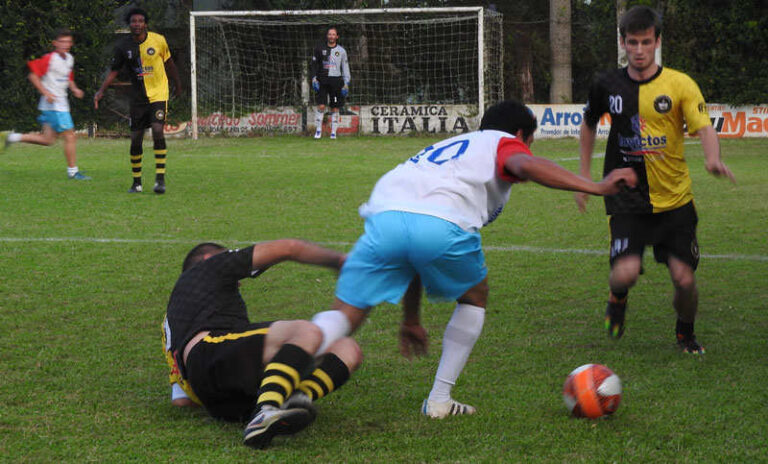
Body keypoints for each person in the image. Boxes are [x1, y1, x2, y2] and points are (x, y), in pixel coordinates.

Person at [307, 100, 638, 419]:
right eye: (530, 141)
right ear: (522, 134)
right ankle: (439, 400)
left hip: (385, 217)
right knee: (475, 295)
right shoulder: (505, 142)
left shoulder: (451, 147)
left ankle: (282, 387)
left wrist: (411, 319)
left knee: (346, 314)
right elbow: (524, 165)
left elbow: (414, 243)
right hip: (441, 224)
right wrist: (596, 186)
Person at [574, 6, 735, 355]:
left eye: (647, 42)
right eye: (632, 42)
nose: (640, 49)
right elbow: (588, 123)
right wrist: (583, 177)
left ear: (657, 41)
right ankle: (617, 298)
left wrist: (713, 158)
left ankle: (685, 333)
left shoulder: (680, 84)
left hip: (675, 201)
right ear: (623, 43)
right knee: (624, 274)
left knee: (685, 279)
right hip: (627, 199)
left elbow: (704, 126)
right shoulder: (607, 84)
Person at [163, 239, 362, 450]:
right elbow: (289, 248)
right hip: (211, 350)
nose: (238, 283)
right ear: (208, 259)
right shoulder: (209, 266)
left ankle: (291, 401)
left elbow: (182, 400)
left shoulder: (174, 316)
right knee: (306, 331)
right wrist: (339, 261)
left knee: (346, 347)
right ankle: (267, 408)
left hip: (224, 402)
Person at [93, 7, 182, 194]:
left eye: (140, 21)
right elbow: (114, 71)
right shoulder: (123, 47)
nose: (137, 24)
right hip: (137, 98)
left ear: (146, 24)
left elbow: (169, 64)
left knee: (158, 130)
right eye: (134, 21)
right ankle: (136, 182)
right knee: (136, 140)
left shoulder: (159, 40)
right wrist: (101, 90)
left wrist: (178, 85)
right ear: (129, 24)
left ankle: (160, 180)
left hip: (158, 94)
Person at [0, 29, 90, 180]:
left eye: (68, 42)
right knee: (70, 136)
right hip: (54, 106)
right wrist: (46, 93)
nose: (66, 45)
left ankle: (11, 137)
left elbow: (69, 77)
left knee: (48, 140)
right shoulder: (50, 59)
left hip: (60, 104)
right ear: (55, 44)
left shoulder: (69, 59)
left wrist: (74, 89)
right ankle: (73, 172)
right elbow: (33, 76)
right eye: (62, 42)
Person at [310, 27, 350, 140]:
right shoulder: (319, 48)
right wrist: (313, 78)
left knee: (335, 107)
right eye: (329, 34)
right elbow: (313, 65)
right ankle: (318, 131)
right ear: (327, 36)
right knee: (321, 105)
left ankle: (333, 133)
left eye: (333, 34)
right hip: (322, 80)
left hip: (336, 81)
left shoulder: (342, 51)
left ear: (337, 37)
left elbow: (345, 68)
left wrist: (346, 83)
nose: (331, 36)